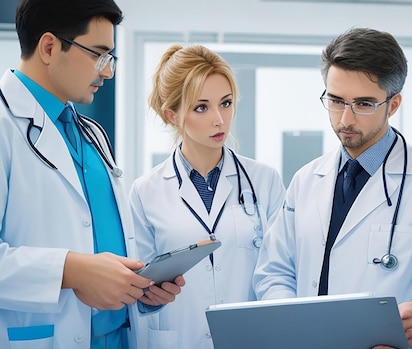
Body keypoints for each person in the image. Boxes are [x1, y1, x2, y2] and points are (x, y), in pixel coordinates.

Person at [253, 27, 412, 348]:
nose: (345, 119)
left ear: (394, 103)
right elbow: (274, 271)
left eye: (363, 104)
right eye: (335, 100)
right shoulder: (306, 180)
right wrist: (291, 321)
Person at [0, 0, 184, 348]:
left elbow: (100, 239)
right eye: (99, 55)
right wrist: (71, 271)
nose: (108, 71)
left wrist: (138, 286)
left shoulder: (91, 133)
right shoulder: (4, 126)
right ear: (50, 47)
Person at [129, 44, 286, 349]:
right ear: (172, 114)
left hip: (250, 339)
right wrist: (149, 299)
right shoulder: (146, 191)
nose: (219, 119)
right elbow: (138, 292)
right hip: (179, 339)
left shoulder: (264, 181)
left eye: (225, 103)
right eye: (201, 107)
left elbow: (280, 271)